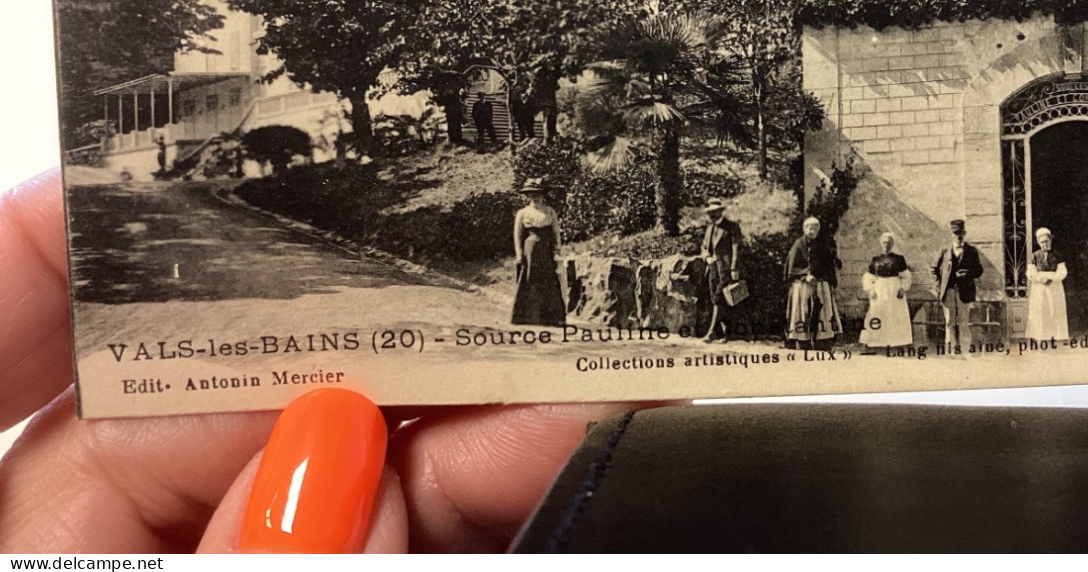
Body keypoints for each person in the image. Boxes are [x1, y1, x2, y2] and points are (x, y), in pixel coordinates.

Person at [0, 169, 655, 553]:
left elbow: (552, 241)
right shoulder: (523, 215)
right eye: (537, 190)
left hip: (545, 275)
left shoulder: (550, 216)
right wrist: (519, 254)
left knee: (544, 310)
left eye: (540, 190)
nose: (538, 196)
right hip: (525, 273)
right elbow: (521, 242)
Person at [511, 178, 566, 327]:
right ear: (527, 196)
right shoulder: (523, 213)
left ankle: (551, 318)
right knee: (530, 280)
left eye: (537, 194)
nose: (534, 197)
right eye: (530, 194)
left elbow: (556, 234)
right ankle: (528, 317)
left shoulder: (550, 212)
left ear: (543, 195)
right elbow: (517, 235)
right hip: (530, 253)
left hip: (546, 252)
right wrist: (519, 254)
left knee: (549, 281)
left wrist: (558, 251)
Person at [783, 215, 843, 349]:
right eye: (810, 228)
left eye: (815, 228)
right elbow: (791, 267)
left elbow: (828, 264)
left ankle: (822, 340)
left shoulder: (822, 245)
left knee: (823, 312)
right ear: (805, 229)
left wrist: (829, 281)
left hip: (821, 285)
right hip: (803, 286)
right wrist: (805, 275)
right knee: (802, 312)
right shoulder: (798, 245)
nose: (812, 231)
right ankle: (802, 340)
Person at [932, 219, 984, 355]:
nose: (958, 236)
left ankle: (966, 350)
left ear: (964, 233)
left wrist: (968, 273)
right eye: (956, 233)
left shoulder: (971, 251)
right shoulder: (944, 250)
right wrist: (938, 288)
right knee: (949, 321)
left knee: (964, 321)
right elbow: (933, 269)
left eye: (961, 233)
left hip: (965, 291)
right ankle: (951, 350)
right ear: (952, 234)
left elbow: (979, 270)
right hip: (948, 291)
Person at [699, 197, 744, 342]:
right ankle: (726, 333)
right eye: (710, 212)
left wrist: (734, 268)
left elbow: (736, 248)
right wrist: (707, 258)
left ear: (720, 212)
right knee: (717, 299)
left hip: (727, 269)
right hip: (713, 269)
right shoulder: (710, 228)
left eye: (714, 212)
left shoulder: (732, 227)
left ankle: (712, 332)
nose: (711, 215)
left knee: (721, 299)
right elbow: (704, 247)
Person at [860, 231, 913, 351]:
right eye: (884, 242)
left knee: (896, 314)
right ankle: (876, 341)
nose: (886, 245)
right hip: (879, 289)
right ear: (880, 244)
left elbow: (906, 276)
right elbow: (868, 277)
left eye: (889, 242)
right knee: (878, 312)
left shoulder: (899, 259)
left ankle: (898, 341)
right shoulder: (875, 259)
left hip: (894, 288)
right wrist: (870, 290)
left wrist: (902, 288)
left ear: (892, 244)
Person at [1025, 226, 1070, 341]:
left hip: (1054, 287)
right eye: (1042, 242)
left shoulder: (1058, 255)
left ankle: (1056, 337)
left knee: (1054, 311)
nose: (1044, 244)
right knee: (1040, 312)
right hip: (1039, 288)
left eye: (1046, 241)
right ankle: (1041, 337)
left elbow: (1062, 272)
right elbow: (1030, 272)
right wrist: (1040, 279)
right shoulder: (1034, 256)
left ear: (1050, 240)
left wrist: (1053, 278)